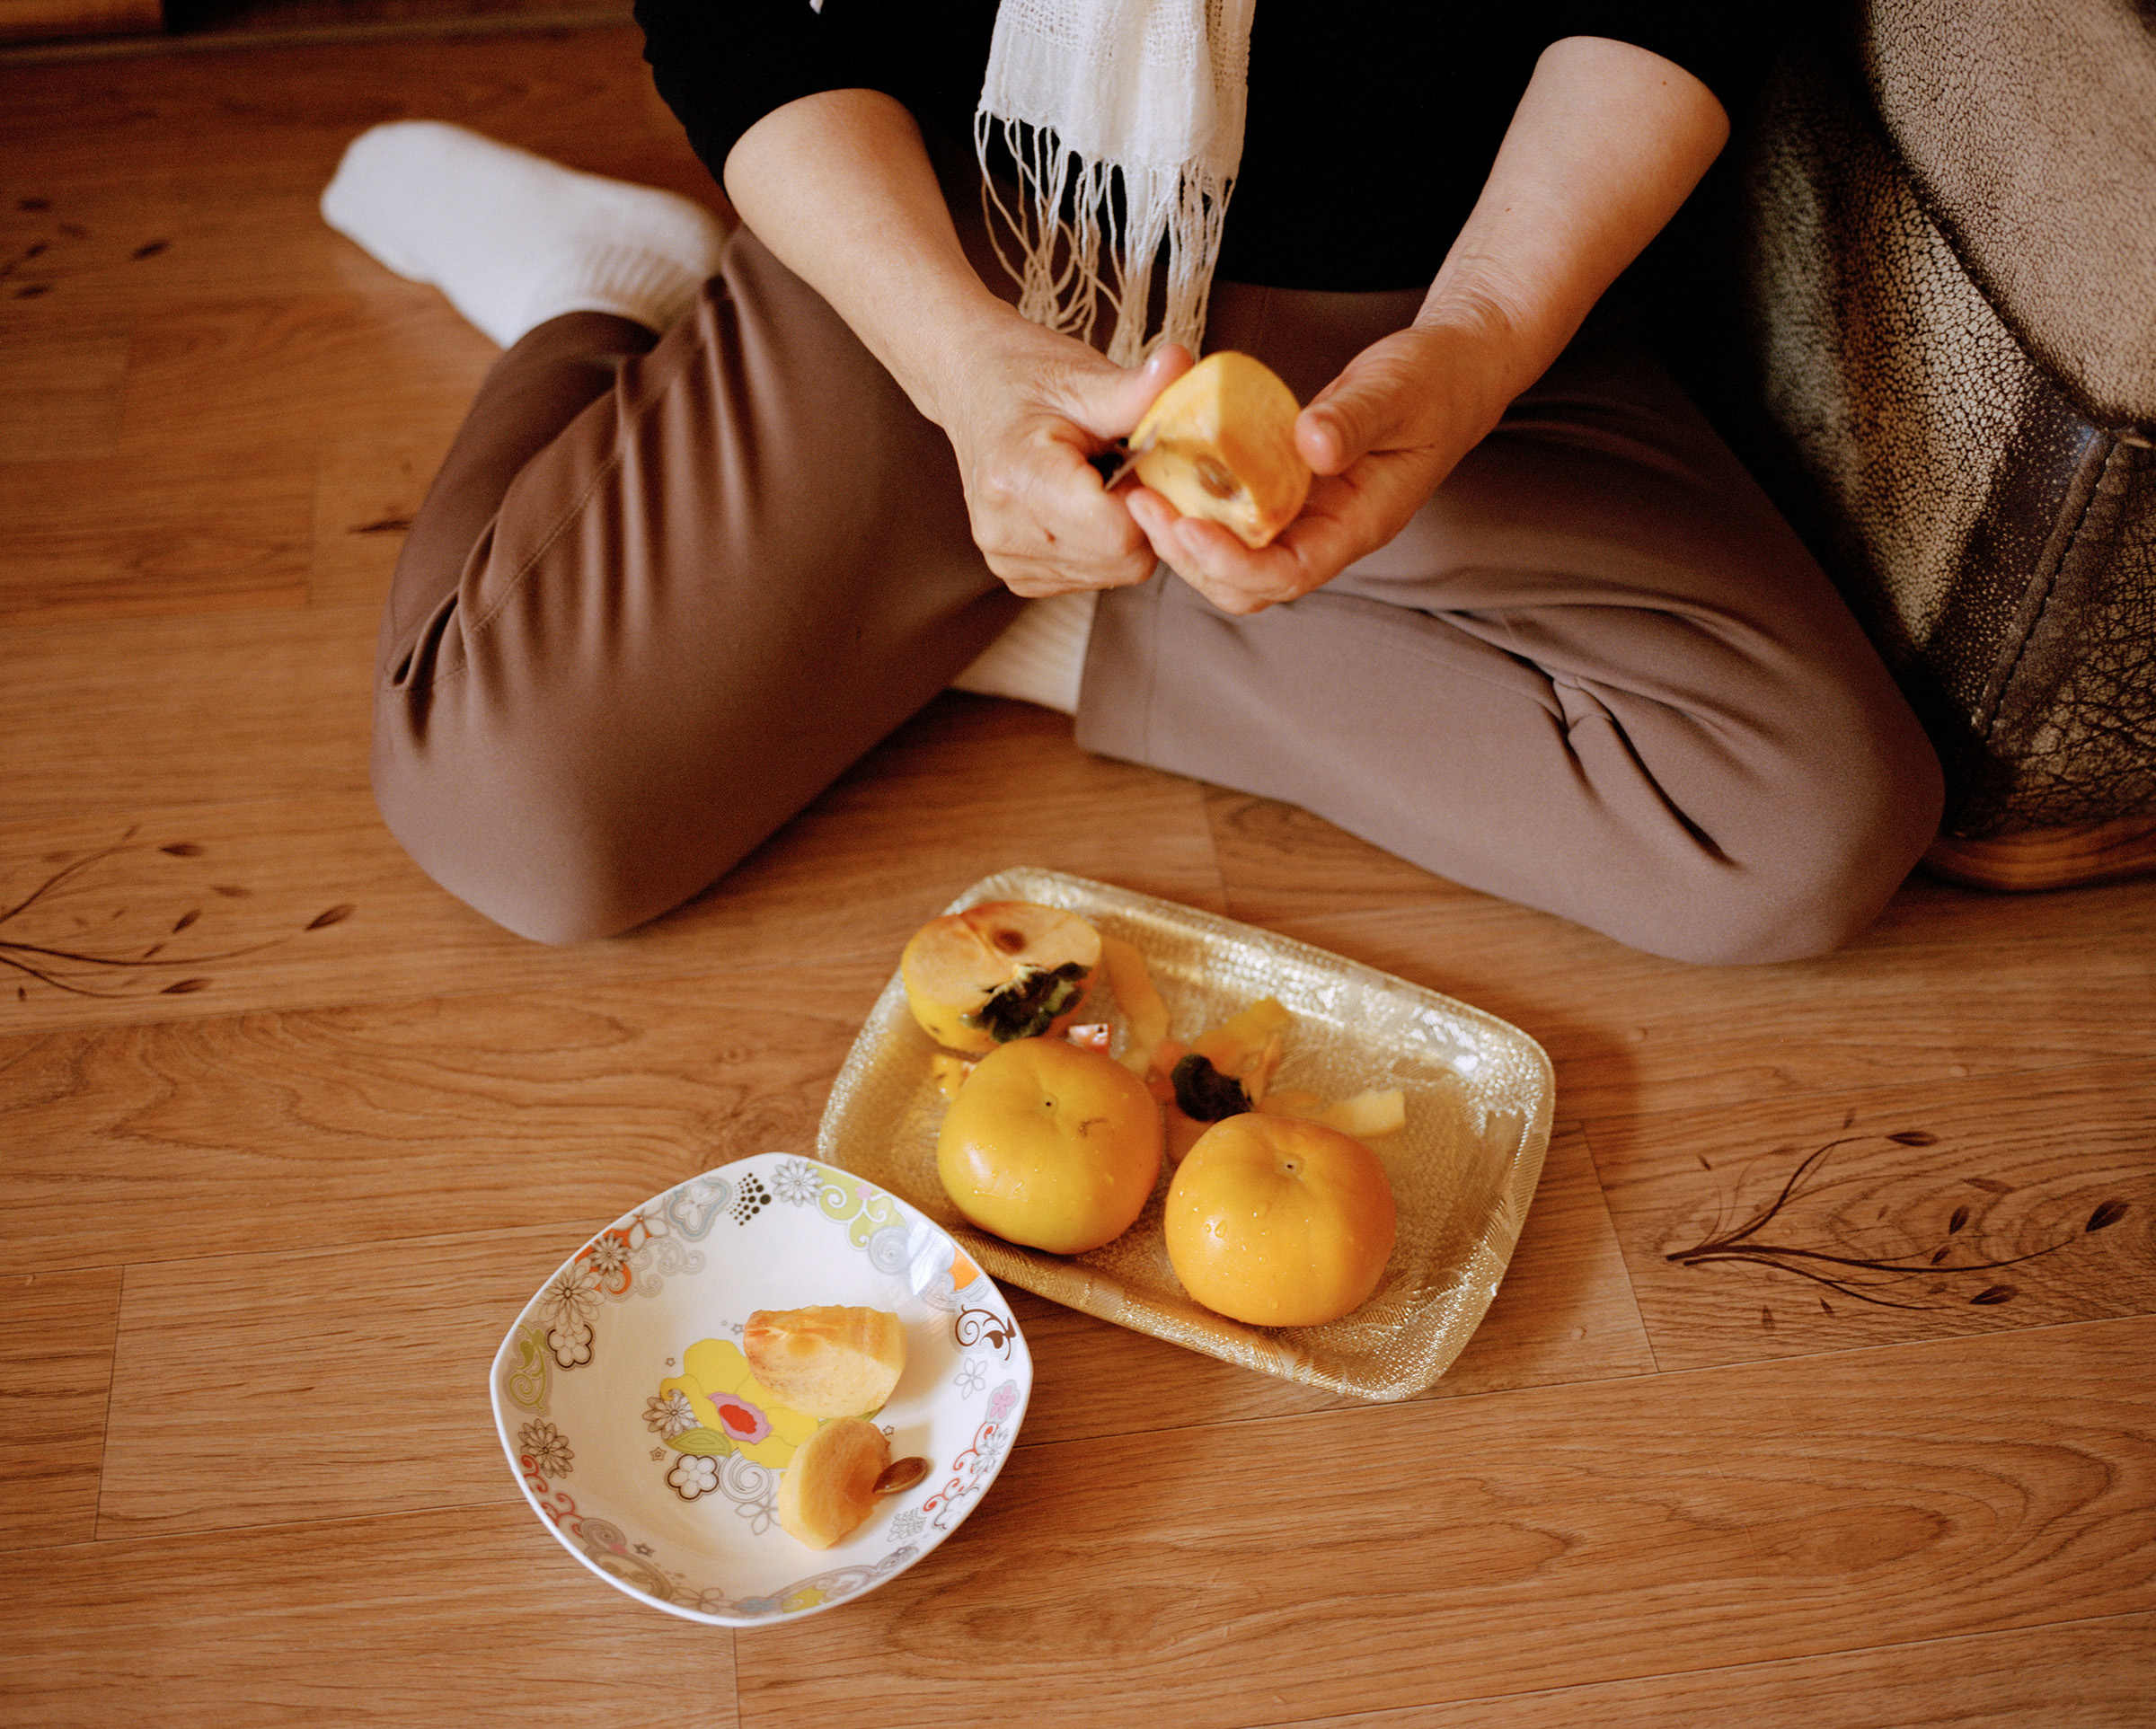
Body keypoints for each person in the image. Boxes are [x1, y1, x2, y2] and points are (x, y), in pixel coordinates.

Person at [320, 1, 1944, 964]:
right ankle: (594, 293)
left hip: (1432, 302)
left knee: (1799, 818)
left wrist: (1480, 343)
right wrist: (957, 363)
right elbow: (751, 12)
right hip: (948, 253)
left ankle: (947, 606)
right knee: (516, 813)